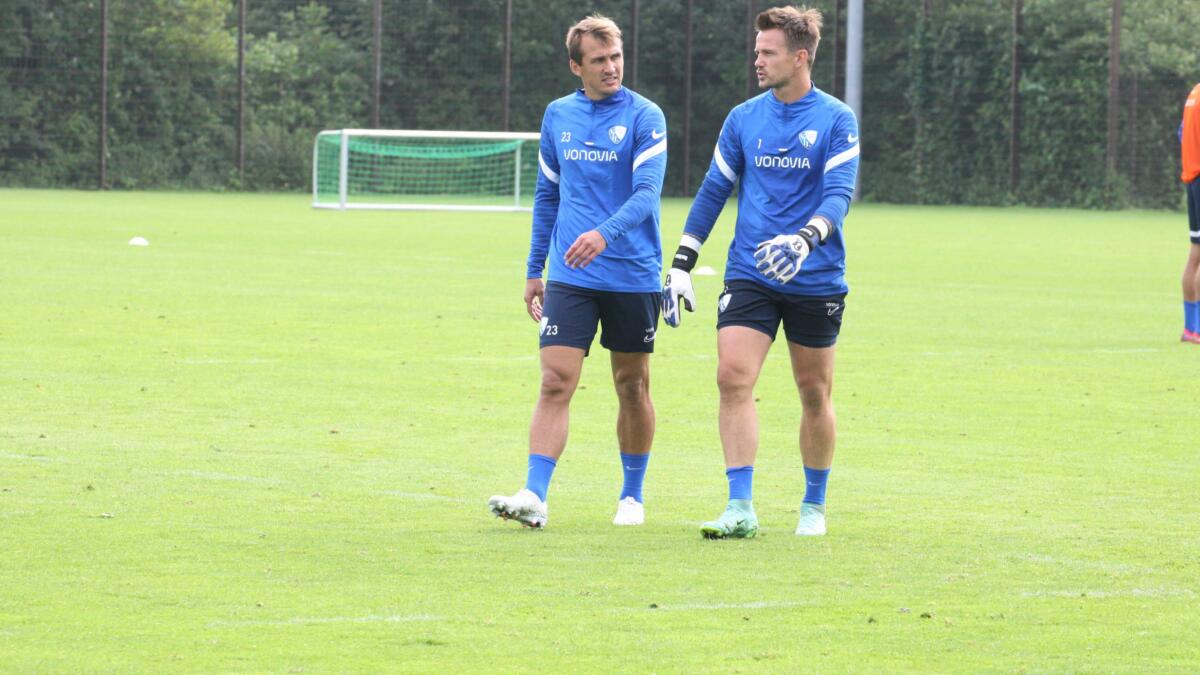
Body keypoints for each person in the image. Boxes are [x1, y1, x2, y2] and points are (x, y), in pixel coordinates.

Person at [661, 5, 859, 538]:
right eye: (756, 51)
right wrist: (682, 260)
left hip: (814, 274)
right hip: (750, 271)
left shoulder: (837, 118)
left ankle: (813, 505)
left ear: (800, 57)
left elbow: (839, 195)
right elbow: (713, 191)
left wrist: (804, 239)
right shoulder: (743, 118)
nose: (757, 60)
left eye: (767, 52)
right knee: (732, 378)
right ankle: (740, 506)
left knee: (813, 390)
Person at [488, 15, 668, 529]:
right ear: (576, 66)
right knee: (554, 380)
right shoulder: (557, 115)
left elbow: (646, 193)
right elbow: (547, 195)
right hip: (570, 275)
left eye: (616, 57)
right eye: (598, 60)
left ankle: (632, 495)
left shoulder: (645, 116)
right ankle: (535, 495)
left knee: (631, 385)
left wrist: (604, 234)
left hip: (632, 272)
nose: (611, 68)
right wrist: (533, 270)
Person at [1179, 81, 1200, 344]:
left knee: (1195, 254)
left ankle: (1190, 329)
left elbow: (1181, 133)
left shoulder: (1193, 93)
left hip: (1192, 178)